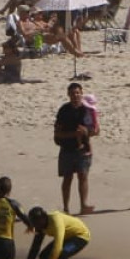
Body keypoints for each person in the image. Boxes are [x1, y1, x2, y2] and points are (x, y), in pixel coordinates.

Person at [18, 206, 90, 259]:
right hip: (66, 237)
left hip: (80, 236)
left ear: (43, 218)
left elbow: (57, 248)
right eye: (33, 223)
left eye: (36, 223)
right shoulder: (39, 227)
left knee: (62, 255)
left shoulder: (56, 220)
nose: (35, 226)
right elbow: (34, 249)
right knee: (43, 256)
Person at [52, 81, 96, 214]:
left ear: (82, 93)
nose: (75, 95)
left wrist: (86, 132)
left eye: (77, 93)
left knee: (83, 176)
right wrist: (73, 134)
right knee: (67, 178)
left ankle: (83, 205)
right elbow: (57, 133)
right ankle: (66, 208)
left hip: (83, 149)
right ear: (68, 95)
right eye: (72, 93)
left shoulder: (87, 110)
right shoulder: (64, 110)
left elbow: (96, 130)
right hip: (67, 149)